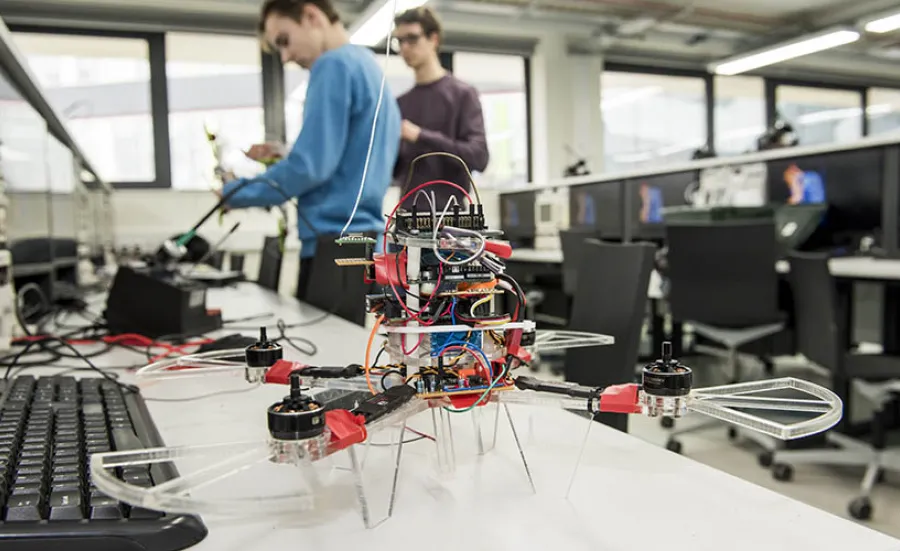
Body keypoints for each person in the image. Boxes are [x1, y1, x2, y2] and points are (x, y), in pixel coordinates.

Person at [220, 0, 401, 300]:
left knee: (325, 347)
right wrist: (289, 154)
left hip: (333, 247)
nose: (286, 56)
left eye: (284, 41)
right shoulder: (369, 67)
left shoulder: (332, 65)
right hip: (366, 246)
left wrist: (235, 192)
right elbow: (350, 158)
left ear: (311, 16)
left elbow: (310, 167)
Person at [390, 7, 489, 210]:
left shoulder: (463, 94)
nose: (405, 48)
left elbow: (479, 157)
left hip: (450, 223)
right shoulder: (399, 104)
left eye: (412, 38)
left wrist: (421, 136)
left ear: (433, 39)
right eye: (400, 41)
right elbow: (394, 170)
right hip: (406, 220)